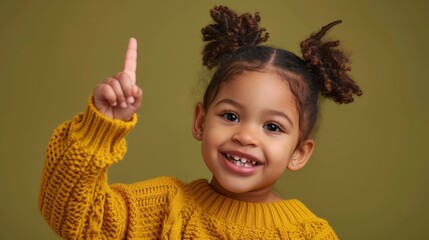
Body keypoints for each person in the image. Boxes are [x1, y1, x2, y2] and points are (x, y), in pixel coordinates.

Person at [39, 6, 362, 239]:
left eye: (273, 127)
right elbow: (73, 218)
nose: (246, 136)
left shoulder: (307, 234)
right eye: (231, 116)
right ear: (200, 122)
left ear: (299, 153)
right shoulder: (164, 207)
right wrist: (99, 130)